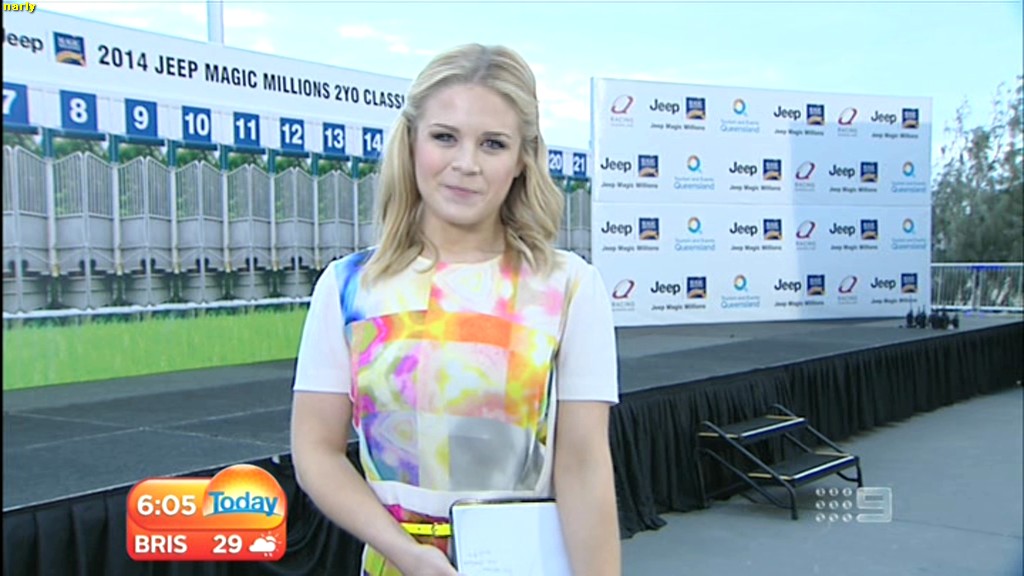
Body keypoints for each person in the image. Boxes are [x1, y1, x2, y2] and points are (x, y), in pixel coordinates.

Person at [289, 43, 621, 576]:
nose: (466, 164)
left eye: (493, 144)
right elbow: (315, 452)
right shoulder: (348, 286)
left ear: (522, 160)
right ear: (411, 143)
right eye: (445, 137)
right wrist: (407, 554)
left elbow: (584, 466)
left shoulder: (570, 287)